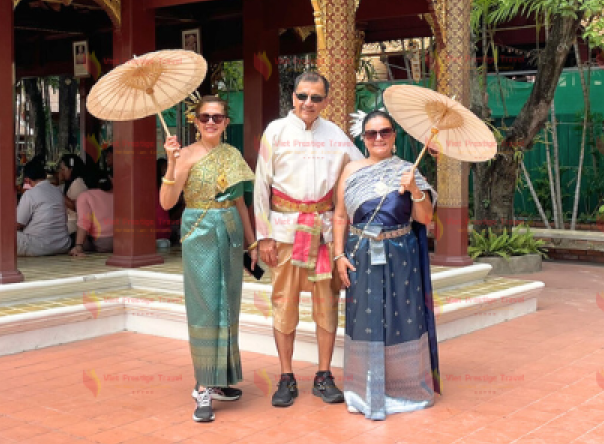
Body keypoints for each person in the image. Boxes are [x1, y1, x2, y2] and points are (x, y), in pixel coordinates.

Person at [254, 72, 363, 408]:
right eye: (303, 96)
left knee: (327, 306)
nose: (309, 103)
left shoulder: (336, 136)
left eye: (316, 98)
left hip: (325, 234)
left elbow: (363, 167)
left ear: (326, 101)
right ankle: (286, 377)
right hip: (285, 232)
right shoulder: (276, 131)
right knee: (283, 304)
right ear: (293, 97)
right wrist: (264, 236)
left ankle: (323, 374)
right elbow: (262, 184)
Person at [333, 110, 440, 420]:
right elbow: (340, 216)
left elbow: (425, 218)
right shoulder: (351, 171)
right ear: (363, 138)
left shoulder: (409, 170)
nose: (378, 138)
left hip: (400, 255)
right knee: (364, 318)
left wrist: (416, 190)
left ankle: (403, 390)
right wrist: (339, 255)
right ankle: (364, 390)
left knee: (401, 318)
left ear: (394, 136)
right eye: (371, 133)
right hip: (359, 255)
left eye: (385, 132)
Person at [160, 96, 256, 422]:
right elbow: (166, 202)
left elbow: (241, 202)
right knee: (205, 305)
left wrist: (252, 242)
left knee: (228, 304)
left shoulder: (233, 156)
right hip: (198, 231)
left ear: (227, 122)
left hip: (229, 230)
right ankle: (203, 385)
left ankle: (221, 379)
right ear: (196, 121)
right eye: (205, 117)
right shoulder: (183, 155)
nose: (211, 122)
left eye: (217, 117)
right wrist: (172, 164)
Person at [16, 159, 72, 257]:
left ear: (27, 180)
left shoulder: (30, 194)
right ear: (45, 175)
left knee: (1, 235)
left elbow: (18, 224)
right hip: (62, 245)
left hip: (38, 246)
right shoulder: (57, 191)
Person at [70, 176, 114, 256]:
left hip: (101, 243)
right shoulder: (120, 194)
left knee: (71, 236)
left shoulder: (85, 196)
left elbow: (84, 222)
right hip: (123, 242)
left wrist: (78, 246)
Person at [55, 154, 89, 229]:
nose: (61, 172)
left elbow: (75, 207)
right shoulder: (69, 183)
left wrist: (57, 193)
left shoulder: (78, 183)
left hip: (75, 225)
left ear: (71, 169)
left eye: (63, 169)